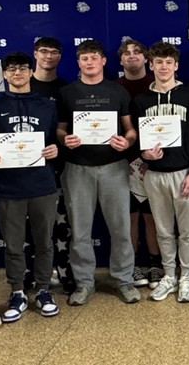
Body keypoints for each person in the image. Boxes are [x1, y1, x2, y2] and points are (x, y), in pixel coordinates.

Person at [56, 40, 140, 305]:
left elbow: (131, 130)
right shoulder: (66, 92)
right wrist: (64, 139)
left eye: (94, 57)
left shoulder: (118, 91)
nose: (89, 62)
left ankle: (124, 280)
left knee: (121, 228)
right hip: (77, 169)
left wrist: (126, 142)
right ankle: (84, 283)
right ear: (78, 63)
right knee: (80, 231)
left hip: (114, 168)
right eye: (84, 58)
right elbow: (60, 129)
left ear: (103, 61)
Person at [0, 52, 61, 321]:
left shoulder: (46, 104)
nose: (17, 73)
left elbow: (54, 139)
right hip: (8, 187)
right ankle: (17, 292)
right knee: (14, 245)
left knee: (44, 243)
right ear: (4, 74)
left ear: (31, 71)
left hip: (42, 185)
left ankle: (43, 290)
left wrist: (55, 149)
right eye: (12, 69)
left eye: (23, 68)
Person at [131, 42, 189, 303]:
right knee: (162, 230)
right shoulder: (141, 100)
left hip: (184, 173)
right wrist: (145, 155)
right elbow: (137, 138)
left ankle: (186, 276)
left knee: (187, 231)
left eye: (168, 62)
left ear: (176, 66)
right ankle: (169, 275)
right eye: (159, 62)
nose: (164, 67)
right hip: (154, 174)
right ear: (151, 65)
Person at [116, 38, 165, 289]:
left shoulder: (157, 85)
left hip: (154, 162)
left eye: (137, 51)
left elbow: (166, 127)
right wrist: (127, 158)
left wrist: (149, 157)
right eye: (126, 53)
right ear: (120, 60)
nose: (132, 55)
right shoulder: (114, 88)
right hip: (122, 162)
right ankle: (132, 265)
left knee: (153, 216)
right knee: (130, 216)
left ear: (146, 59)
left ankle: (156, 264)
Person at [29, 36, 76, 294]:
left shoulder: (65, 90)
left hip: (58, 167)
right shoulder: (23, 85)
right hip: (26, 168)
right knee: (31, 226)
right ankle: (32, 275)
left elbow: (68, 128)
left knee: (61, 224)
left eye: (54, 52)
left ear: (60, 56)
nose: (49, 56)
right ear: (35, 54)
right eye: (44, 51)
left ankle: (65, 272)